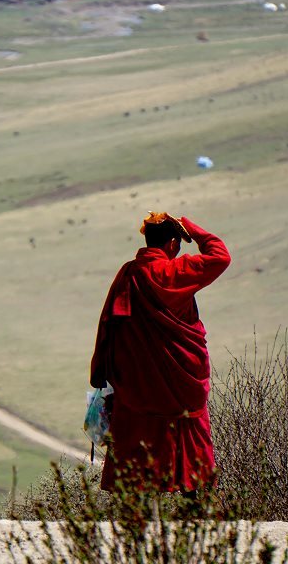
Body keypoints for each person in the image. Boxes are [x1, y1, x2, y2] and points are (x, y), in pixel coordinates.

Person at [90, 211, 231, 493]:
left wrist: (100, 373)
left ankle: (136, 514)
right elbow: (220, 256)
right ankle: (197, 507)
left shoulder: (129, 273)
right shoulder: (178, 271)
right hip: (182, 384)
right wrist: (191, 227)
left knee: (136, 446)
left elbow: (107, 324)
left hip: (137, 385)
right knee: (190, 443)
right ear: (172, 244)